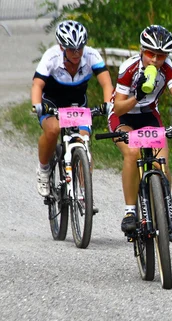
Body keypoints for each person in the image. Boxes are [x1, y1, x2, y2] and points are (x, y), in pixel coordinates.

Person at [109, 25, 172, 242]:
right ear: (142, 50)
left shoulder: (166, 69)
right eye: (150, 54)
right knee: (132, 153)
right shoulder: (129, 68)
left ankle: (167, 211)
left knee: (161, 160)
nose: (155, 60)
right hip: (123, 115)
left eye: (161, 55)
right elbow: (118, 108)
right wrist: (137, 96)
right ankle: (130, 211)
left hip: (148, 115)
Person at [32, 20, 114, 199]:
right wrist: (37, 105)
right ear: (62, 47)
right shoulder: (51, 56)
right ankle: (44, 169)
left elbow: (106, 82)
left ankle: (85, 191)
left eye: (80, 48)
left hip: (77, 105)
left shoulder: (92, 55)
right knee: (53, 130)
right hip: (52, 103)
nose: (77, 53)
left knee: (83, 140)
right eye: (71, 49)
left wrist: (108, 104)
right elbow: (37, 84)